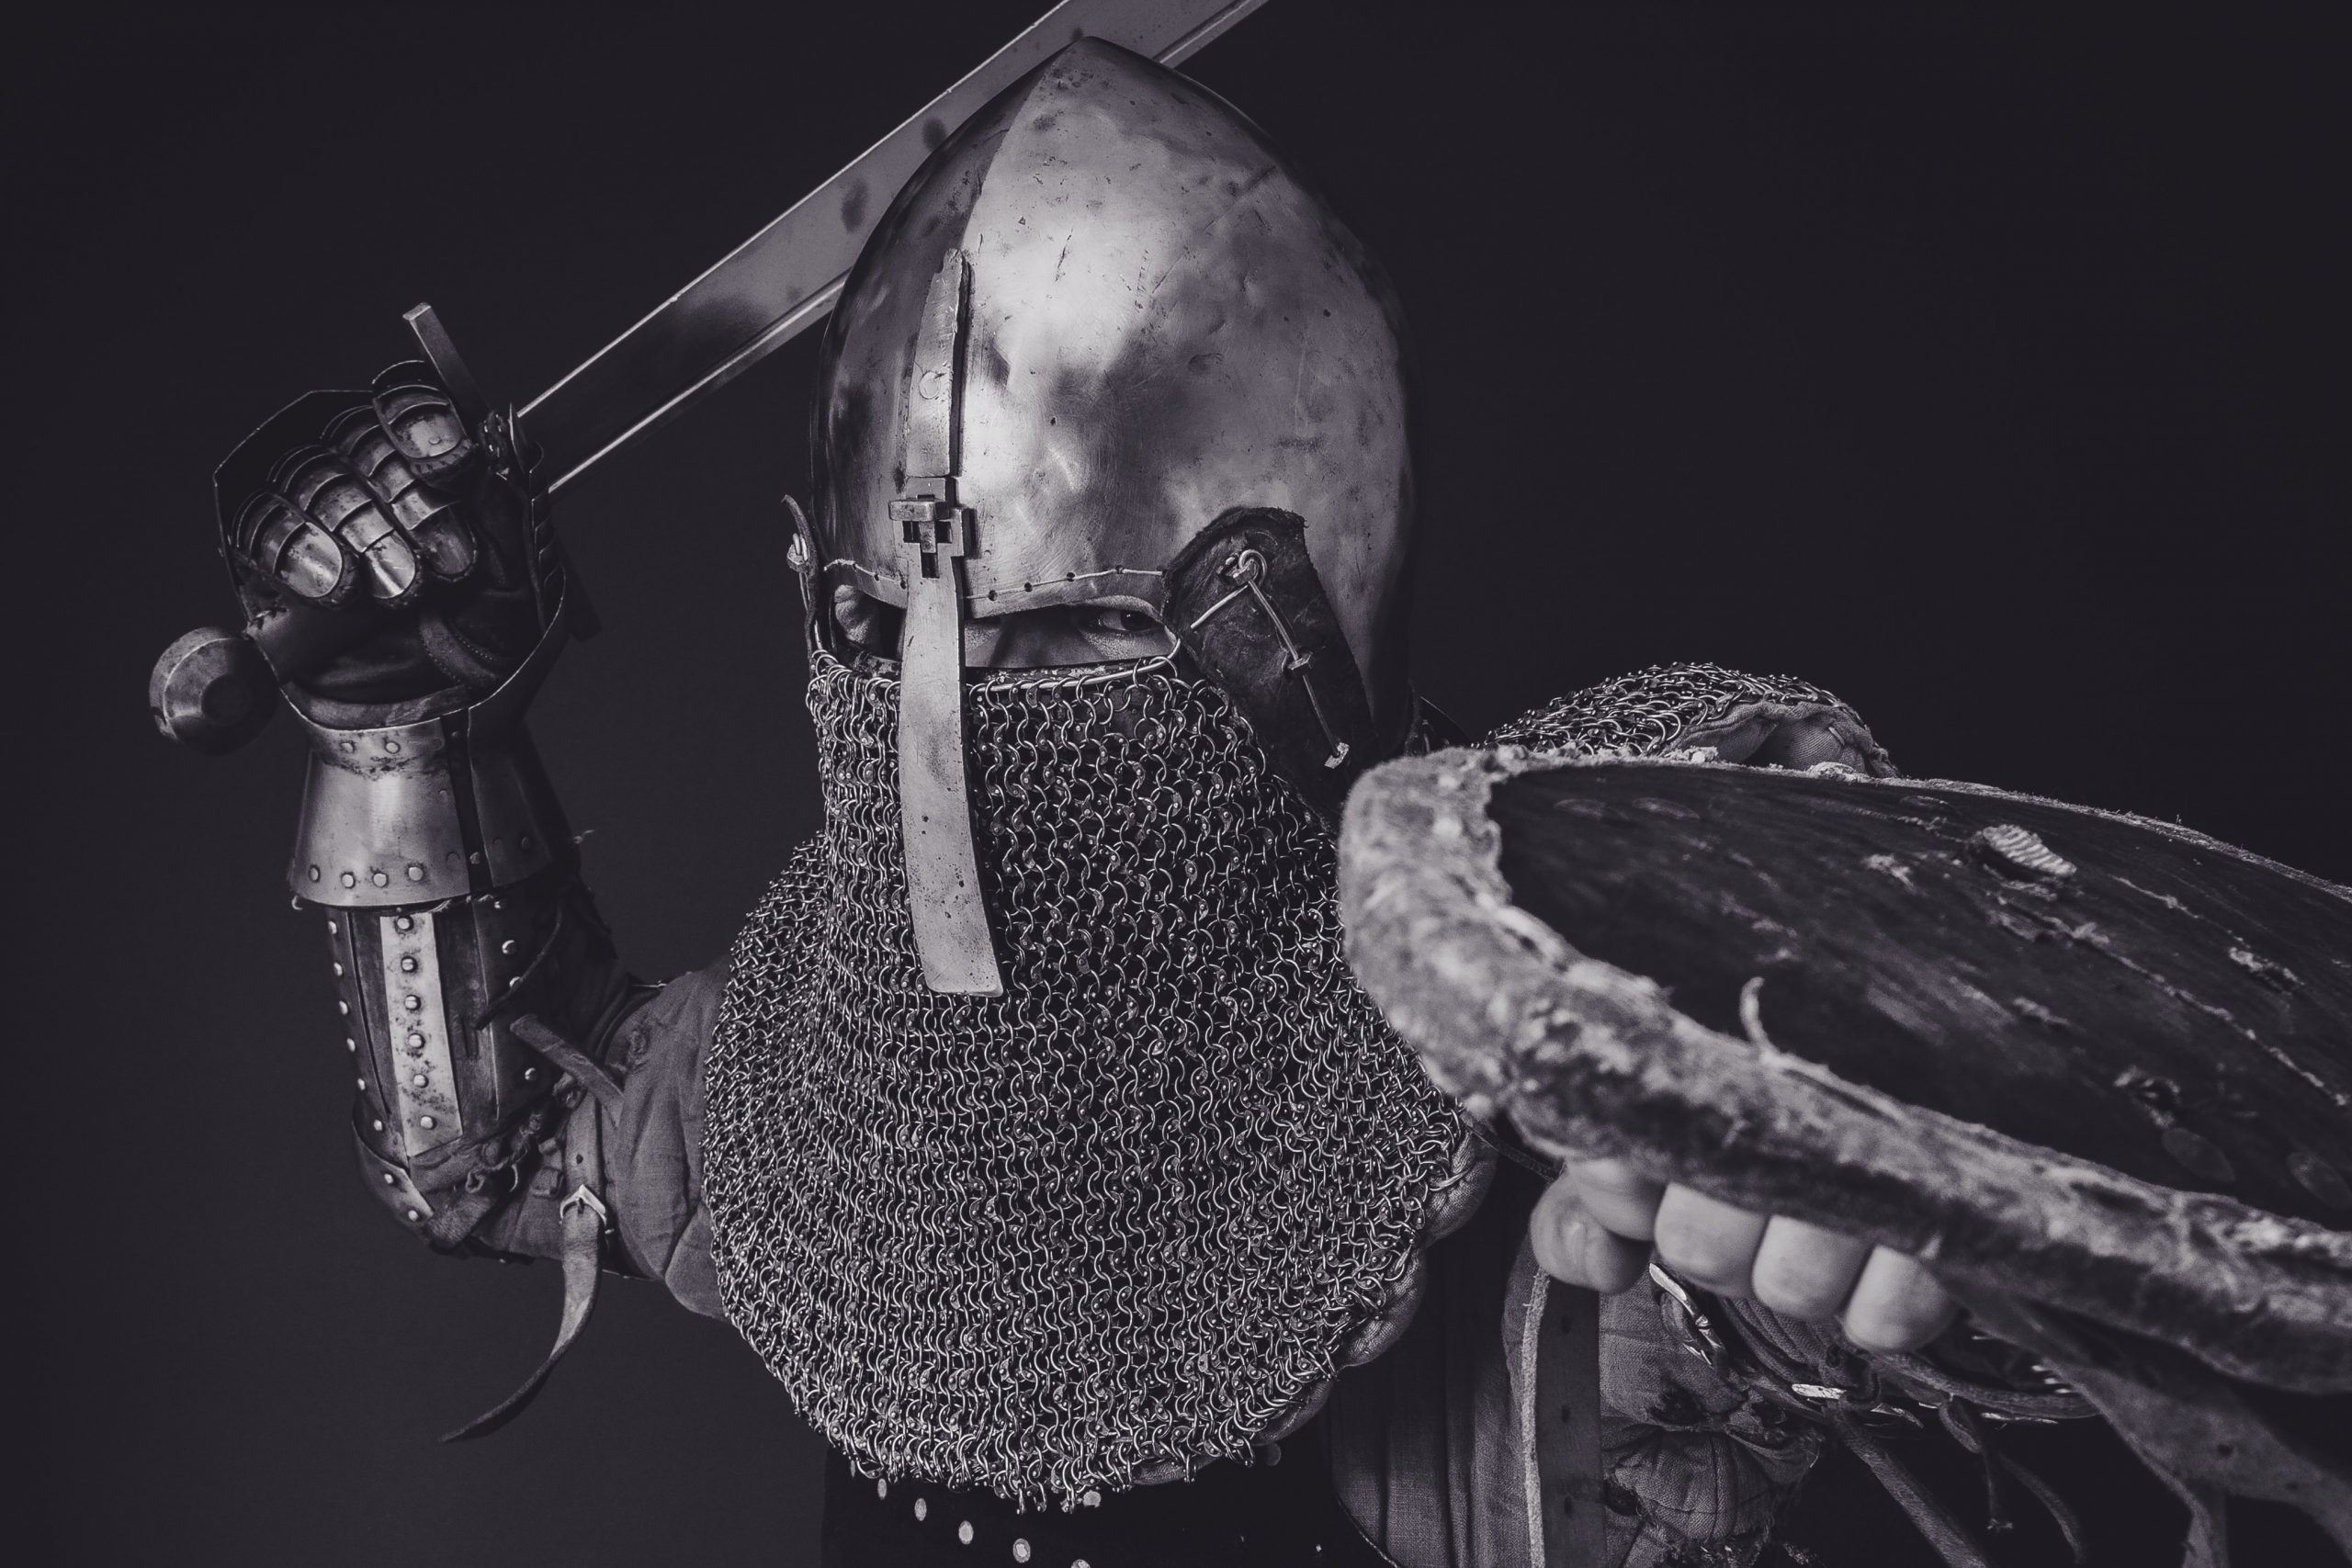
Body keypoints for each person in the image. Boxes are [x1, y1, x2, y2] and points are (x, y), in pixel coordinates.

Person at [182, 39, 2147, 1568]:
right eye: (888, 630)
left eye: (1067, 648)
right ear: (825, 608)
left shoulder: (1541, 1043)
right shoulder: (820, 1089)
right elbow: (489, 1139)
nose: (955, 735)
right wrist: (402, 736)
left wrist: (1856, 1188)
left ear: (1280, 632)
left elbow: (1888, 1238)